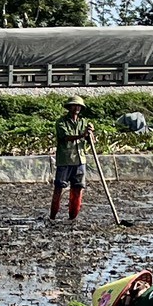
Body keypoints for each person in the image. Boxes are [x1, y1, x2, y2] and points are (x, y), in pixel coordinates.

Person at [48, 96, 94, 225]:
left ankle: (72, 217)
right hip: (65, 160)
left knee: (78, 188)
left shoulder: (83, 122)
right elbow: (65, 137)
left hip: (80, 160)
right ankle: (52, 216)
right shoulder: (61, 122)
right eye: (74, 105)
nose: (76, 108)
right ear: (69, 107)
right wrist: (82, 135)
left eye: (78, 106)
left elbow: (90, 141)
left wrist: (90, 133)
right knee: (59, 188)